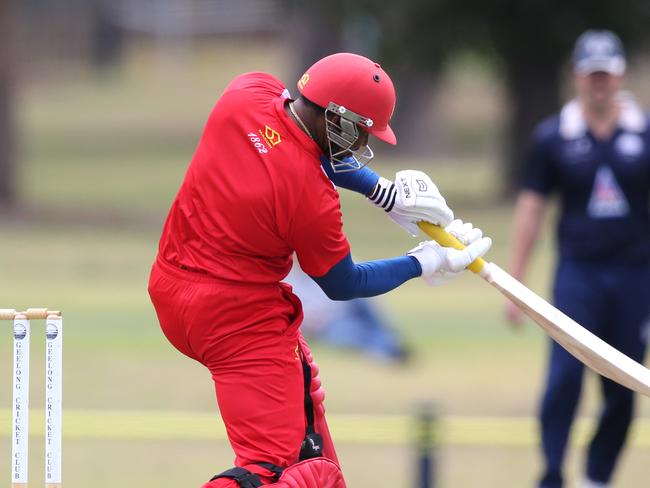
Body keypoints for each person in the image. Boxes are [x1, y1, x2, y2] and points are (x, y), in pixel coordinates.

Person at [148, 52, 492, 488]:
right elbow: (343, 282)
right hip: (236, 320)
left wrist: (382, 193)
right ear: (339, 121)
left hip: (170, 285)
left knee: (310, 424)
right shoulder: (311, 196)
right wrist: (423, 262)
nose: (358, 148)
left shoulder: (246, 93)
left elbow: (294, 144)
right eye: (359, 134)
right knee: (272, 470)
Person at [505, 31, 650, 488]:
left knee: (625, 382)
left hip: (635, 277)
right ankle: (552, 471)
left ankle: (598, 476)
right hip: (577, 276)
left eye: (607, 74)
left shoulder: (644, 134)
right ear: (577, 76)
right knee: (564, 378)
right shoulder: (554, 137)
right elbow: (531, 209)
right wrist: (516, 284)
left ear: (620, 75)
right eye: (592, 75)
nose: (600, 84)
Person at [285, 260, 410, 363]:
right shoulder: (289, 277)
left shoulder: (325, 265)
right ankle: (385, 351)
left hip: (346, 306)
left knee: (367, 304)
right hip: (328, 322)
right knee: (351, 331)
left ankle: (391, 343)